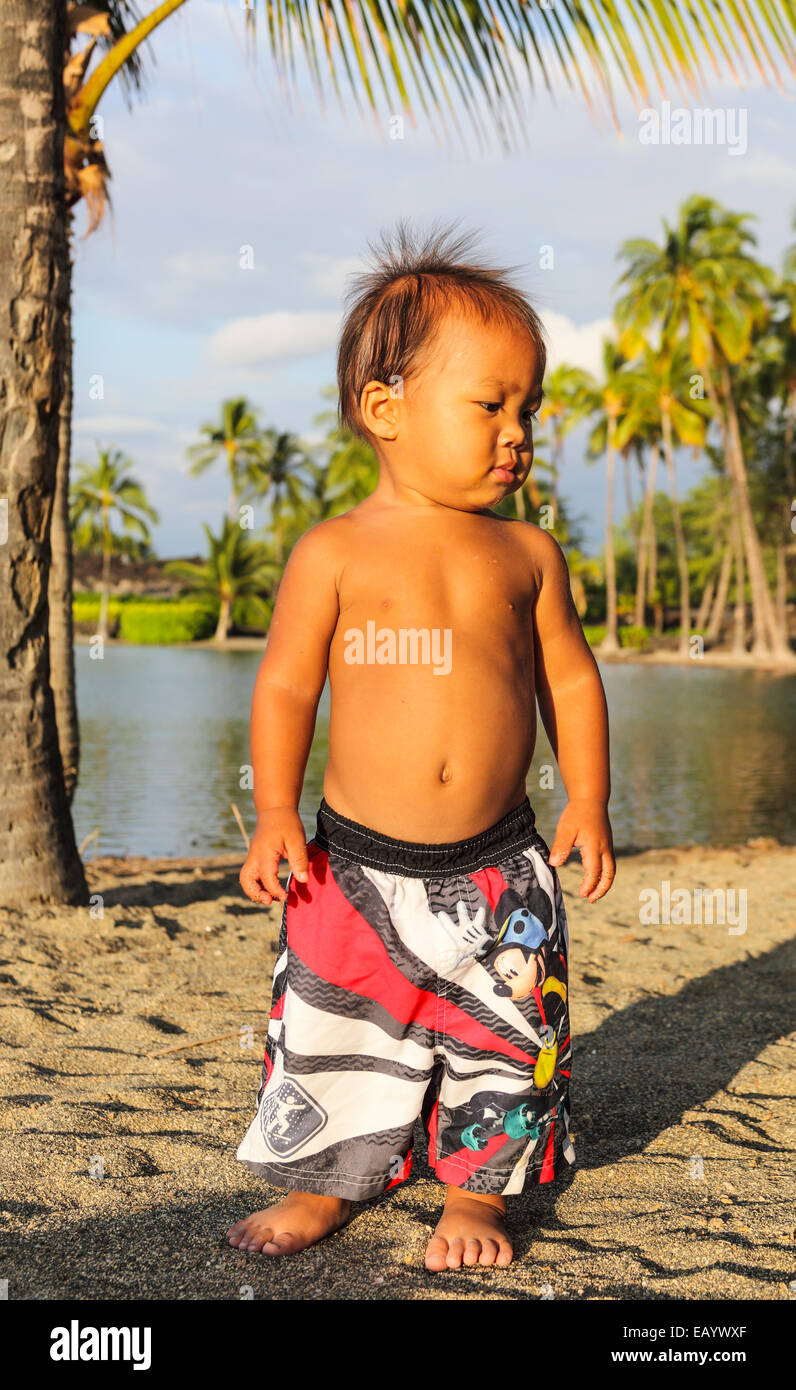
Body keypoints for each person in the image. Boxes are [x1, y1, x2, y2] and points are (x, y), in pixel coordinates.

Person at [227, 220, 615, 1272]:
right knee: (338, 1032)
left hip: (499, 864)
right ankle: (326, 1183)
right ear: (385, 410)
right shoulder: (336, 550)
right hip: (353, 866)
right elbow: (288, 685)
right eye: (489, 403)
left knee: (502, 1039)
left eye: (525, 407)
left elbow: (569, 678)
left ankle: (475, 1197)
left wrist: (588, 797)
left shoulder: (527, 554)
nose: (516, 430)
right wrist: (272, 815)